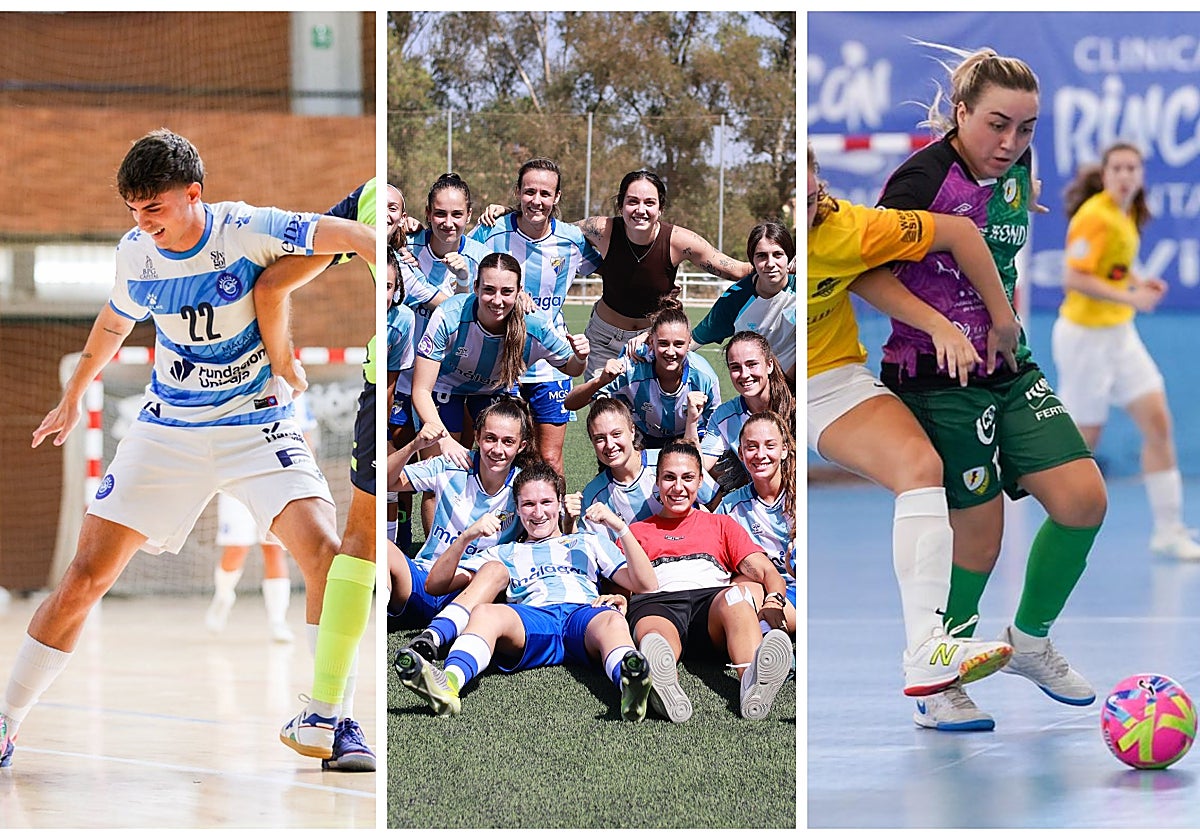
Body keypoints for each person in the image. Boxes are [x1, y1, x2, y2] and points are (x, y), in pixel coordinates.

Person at [0, 130, 374, 769]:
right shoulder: (136, 254)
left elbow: (353, 234)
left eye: (154, 209)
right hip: (167, 430)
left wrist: (386, 267)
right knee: (85, 577)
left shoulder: (246, 228)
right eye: (132, 211)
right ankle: (7, 719)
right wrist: (74, 393)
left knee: (326, 555)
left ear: (193, 194)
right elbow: (114, 321)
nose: (142, 223)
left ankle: (329, 717)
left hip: (256, 424)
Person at [875, 45, 1108, 730]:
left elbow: (1000, 238)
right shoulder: (920, 180)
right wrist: (939, 325)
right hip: (937, 379)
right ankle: (938, 679)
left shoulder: (1016, 169)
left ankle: (1029, 642)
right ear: (961, 113)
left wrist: (1001, 318)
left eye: (1026, 128)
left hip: (1008, 366)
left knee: (1084, 500)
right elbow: (867, 272)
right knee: (979, 537)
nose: (1011, 142)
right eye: (997, 125)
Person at [807, 138, 1022, 718]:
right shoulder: (763, 254)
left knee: (921, 467)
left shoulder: (850, 228)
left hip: (829, 380)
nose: (807, 197)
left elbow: (962, 233)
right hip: (768, 381)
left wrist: (954, 323)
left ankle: (927, 650)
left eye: (810, 183)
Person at [254, 177, 381, 771]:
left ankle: (329, 716)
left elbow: (273, 282)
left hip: (412, 387)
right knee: (352, 546)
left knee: (346, 549)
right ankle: (330, 713)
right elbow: (272, 281)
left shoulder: (376, 198)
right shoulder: (369, 202)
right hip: (219, 416)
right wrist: (279, 357)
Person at [395, 461, 662, 721]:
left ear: (560, 503)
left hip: (582, 614)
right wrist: (466, 537)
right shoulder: (504, 551)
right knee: (486, 613)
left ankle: (630, 683)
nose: (538, 513)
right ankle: (449, 682)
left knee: (612, 619)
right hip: (534, 617)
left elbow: (647, 584)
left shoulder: (588, 541)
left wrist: (620, 527)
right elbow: (434, 585)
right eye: (528, 504)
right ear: (518, 509)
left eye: (546, 502)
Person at [1052, 142, 1200, 560]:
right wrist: (1131, 296)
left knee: (1158, 423)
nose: (1124, 175)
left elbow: (1115, 266)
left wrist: (1138, 282)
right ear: (1104, 174)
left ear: (1141, 175)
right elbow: (1074, 278)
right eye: (1117, 168)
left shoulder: (1127, 213)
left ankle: (1169, 531)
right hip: (1084, 339)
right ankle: (1054, 523)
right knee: (1083, 442)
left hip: (1120, 335)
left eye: (1132, 168)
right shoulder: (1093, 217)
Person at [483, 169, 752, 380]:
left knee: (647, 419)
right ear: (620, 205)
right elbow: (551, 229)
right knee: (605, 419)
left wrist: (774, 261)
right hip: (603, 339)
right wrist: (510, 213)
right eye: (632, 201)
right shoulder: (602, 230)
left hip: (651, 340)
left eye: (649, 203)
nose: (640, 210)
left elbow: (737, 270)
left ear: (660, 208)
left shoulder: (680, 241)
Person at [621, 440, 792, 722]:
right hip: (659, 601)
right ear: (657, 482)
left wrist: (774, 600)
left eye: (688, 478)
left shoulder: (720, 524)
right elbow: (618, 582)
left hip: (711, 605)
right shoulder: (636, 532)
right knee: (655, 637)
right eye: (669, 478)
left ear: (700, 481)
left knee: (736, 597)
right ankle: (663, 681)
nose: (678, 487)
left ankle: (752, 681)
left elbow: (765, 572)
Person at [470, 158, 603, 476]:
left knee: (550, 459)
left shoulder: (572, 240)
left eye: (545, 193)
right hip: (499, 362)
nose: (537, 200)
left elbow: (612, 271)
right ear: (517, 192)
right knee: (499, 455)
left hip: (552, 362)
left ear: (557, 197)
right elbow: (457, 261)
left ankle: (556, 512)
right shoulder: (491, 230)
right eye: (529, 191)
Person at [386, 396, 536, 660]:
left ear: (521, 446)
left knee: (495, 570)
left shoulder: (525, 488)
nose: (497, 449)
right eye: (490, 438)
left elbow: (547, 534)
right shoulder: (451, 463)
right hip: (423, 580)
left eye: (508, 442)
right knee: (381, 547)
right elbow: (386, 482)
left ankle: (435, 637)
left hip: (470, 594)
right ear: (477, 436)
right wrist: (414, 446)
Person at [410, 251, 589, 470]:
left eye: (506, 292)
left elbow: (572, 368)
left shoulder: (535, 324)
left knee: (499, 466)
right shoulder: (449, 315)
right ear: (475, 287)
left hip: (493, 391)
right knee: (441, 467)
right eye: (488, 290)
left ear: (519, 292)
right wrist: (444, 439)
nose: (497, 300)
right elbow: (421, 390)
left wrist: (580, 357)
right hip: (445, 387)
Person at [205, 391, 319, 644]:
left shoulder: (292, 390)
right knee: (236, 549)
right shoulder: (234, 386)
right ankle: (223, 596)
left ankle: (278, 620)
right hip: (238, 479)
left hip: (277, 480)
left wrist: (306, 474)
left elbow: (305, 435)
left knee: (274, 549)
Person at [563, 300, 720, 450]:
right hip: (643, 436)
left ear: (689, 343)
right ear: (651, 341)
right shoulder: (633, 367)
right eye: (663, 343)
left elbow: (715, 428)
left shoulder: (704, 376)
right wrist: (600, 381)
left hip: (688, 436)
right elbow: (570, 403)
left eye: (678, 344)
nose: (671, 352)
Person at [569, 397, 719, 535]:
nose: (610, 445)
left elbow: (717, 504)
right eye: (600, 438)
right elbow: (590, 547)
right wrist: (569, 524)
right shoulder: (593, 495)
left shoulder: (670, 461)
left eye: (616, 434)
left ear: (632, 431)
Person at [716, 412, 797, 634]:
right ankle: (764, 640)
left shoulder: (802, 496)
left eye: (770, 446)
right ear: (741, 454)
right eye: (751, 447)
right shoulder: (730, 506)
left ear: (784, 450)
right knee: (735, 595)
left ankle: (767, 635)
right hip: (761, 588)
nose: (760, 455)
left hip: (798, 591)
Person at [692, 221, 797, 388]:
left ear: (789, 257)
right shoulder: (735, 299)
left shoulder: (802, 285)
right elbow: (692, 341)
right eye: (761, 256)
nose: (770, 263)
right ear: (752, 260)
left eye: (778, 255)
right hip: (757, 388)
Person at [701, 331, 795, 496]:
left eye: (752, 364)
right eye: (735, 367)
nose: (744, 374)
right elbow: (697, 467)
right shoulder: (723, 416)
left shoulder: (795, 405)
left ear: (769, 365)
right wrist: (691, 421)